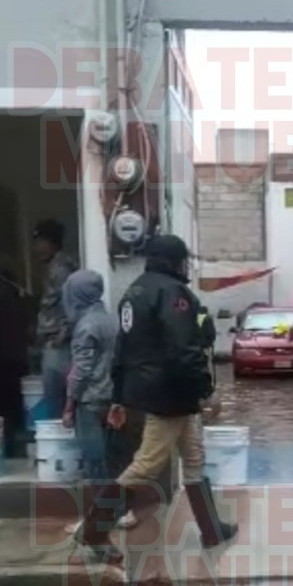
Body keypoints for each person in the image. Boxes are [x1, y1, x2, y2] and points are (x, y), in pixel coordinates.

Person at [80, 235, 238, 563]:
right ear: (174, 261)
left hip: (150, 391)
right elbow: (184, 350)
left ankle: (211, 530)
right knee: (147, 464)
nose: (186, 266)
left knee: (193, 456)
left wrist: (119, 397)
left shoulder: (134, 292)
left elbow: (122, 349)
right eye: (184, 260)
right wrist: (206, 390)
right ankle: (94, 530)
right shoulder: (173, 293)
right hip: (170, 392)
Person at [61, 270, 118, 483]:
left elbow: (81, 369)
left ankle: (103, 502)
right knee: (111, 460)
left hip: (90, 401)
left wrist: (69, 406)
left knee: (94, 462)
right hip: (113, 398)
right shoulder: (112, 320)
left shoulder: (86, 326)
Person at [32, 219, 76, 418]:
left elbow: (70, 303)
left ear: (52, 242)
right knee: (56, 402)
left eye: (40, 242)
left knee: (57, 404)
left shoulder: (61, 270)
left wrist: (63, 333)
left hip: (60, 345)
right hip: (55, 342)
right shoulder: (55, 267)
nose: (37, 248)